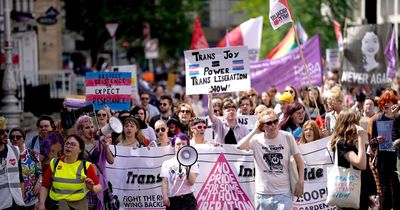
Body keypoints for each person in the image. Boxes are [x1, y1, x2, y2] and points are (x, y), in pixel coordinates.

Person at [237, 108, 304, 209]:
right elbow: (240, 146)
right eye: (269, 123)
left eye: (275, 121)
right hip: (262, 195)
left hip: (284, 193)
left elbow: (299, 161)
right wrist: (255, 130)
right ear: (263, 126)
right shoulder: (256, 139)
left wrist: (301, 182)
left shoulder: (287, 136)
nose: (273, 125)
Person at [39, 134, 101, 210]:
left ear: (80, 150)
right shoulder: (54, 162)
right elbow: (45, 185)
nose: (68, 146)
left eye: (73, 144)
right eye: (67, 143)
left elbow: (98, 187)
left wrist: (92, 188)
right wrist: (41, 204)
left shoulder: (86, 165)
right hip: (56, 204)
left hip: (78, 204)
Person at [329, 110, 368, 210]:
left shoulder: (350, 143)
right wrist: (361, 140)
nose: (358, 125)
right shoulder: (342, 143)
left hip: (358, 193)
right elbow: (361, 164)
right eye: (356, 122)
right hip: (348, 195)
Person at [75, 115, 114, 210]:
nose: (91, 130)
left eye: (92, 127)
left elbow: (111, 161)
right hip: (84, 184)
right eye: (87, 127)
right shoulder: (77, 145)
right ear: (80, 130)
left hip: (100, 183)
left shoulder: (99, 143)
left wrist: (106, 146)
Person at [370, 91, 400, 210]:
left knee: (397, 187)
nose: (386, 105)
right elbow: (372, 142)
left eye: (389, 102)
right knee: (385, 188)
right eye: (384, 103)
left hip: (396, 158)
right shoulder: (378, 119)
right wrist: (376, 140)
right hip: (383, 159)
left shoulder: (398, 117)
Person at [160, 133, 199, 210]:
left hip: (188, 200)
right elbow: (164, 182)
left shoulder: (192, 162)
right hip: (173, 201)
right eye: (178, 144)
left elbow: (191, 182)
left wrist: (187, 163)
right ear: (173, 146)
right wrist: (165, 196)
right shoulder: (167, 163)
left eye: (183, 144)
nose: (181, 146)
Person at [10, 128, 42, 210]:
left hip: (30, 198)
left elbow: (40, 172)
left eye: (18, 137)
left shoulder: (32, 154)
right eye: (12, 137)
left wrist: (39, 182)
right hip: (11, 199)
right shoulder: (6, 156)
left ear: (23, 139)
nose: (15, 139)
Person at [0, 117, 25, 210]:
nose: (6, 134)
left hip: (17, 202)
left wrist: (21, 200)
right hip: (2, 203)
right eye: (1, 132)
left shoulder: (15, 150)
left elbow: (20, 178)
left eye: (6, 131)